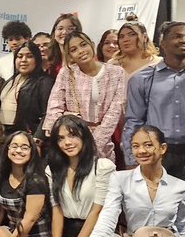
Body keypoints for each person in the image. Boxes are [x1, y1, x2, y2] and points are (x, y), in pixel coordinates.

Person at [123, 21, 185, 183]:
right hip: (156, 154)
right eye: (177, 36)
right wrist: (131, 160)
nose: (184, 40)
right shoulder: (142, 79)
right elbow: (134, 121)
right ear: (163, 43)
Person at [44, 116, 115, 237]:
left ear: (84, 136)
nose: (67, 142)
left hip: (94, 232)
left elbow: (97, 211)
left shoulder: (103, 167)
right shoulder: (53, 170)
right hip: (68, 230)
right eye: (60, 138)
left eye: (72, 135)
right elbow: (57, 211)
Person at [43, 31, 125, 161]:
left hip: (102, 145)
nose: (81, 51)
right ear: (69, 55)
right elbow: (54, 107)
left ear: (92, 45)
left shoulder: (116, 72)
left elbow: (114, 112)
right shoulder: (67, 73)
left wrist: (91, 144)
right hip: (70, 143)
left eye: (83, 45)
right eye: (74, 49)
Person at [0, 42, 53, 139]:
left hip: (27, 136)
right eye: (19, 56)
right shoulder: (9, 80)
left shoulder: (44, 81)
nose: (23, 60)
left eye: (29, 56)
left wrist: (38, 139)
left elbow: (48, 114)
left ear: (37, 60)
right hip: (3, 134)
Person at [113, 15, 160, 80]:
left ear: (144, 37)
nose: (126, 39)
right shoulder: (113, 64)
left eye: (132, 35)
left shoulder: (157, 63)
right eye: (121, 37)